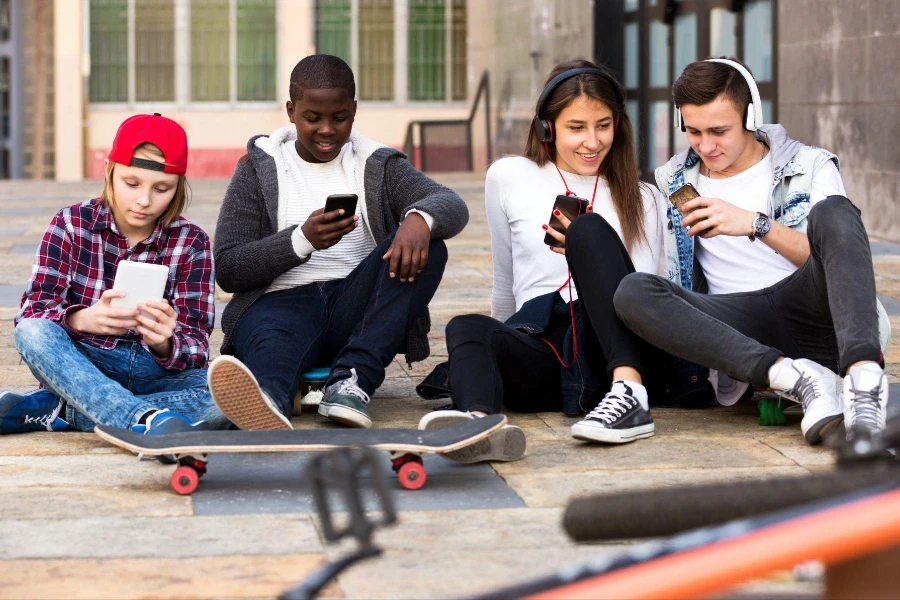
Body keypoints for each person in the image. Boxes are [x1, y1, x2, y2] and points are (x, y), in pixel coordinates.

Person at [418, 59, 706, 454]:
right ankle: (478, 426)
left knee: (587, 231)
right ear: (547, 128)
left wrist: (587, 255)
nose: (592, 141)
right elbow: (506, 280)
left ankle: (629, 396)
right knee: (466, 327)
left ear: (618, 126)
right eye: (577, 127)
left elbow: (639, 300)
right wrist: (498, 346)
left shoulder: (645, 198)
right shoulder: (510, 176)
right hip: (545, 352)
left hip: (607, 351)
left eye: (603, 125)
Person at [614, 57, 891, 447]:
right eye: (693, 131)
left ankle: (864, 383)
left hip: (814, 312)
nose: (706, 145)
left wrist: (756, 224)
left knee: (835, 212)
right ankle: (798, 379)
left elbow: (838, 260)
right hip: (740, 329)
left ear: (751, 116)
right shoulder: (672, 180)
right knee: (633, 291)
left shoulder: (809, 166)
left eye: (718, 131)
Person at [208, 54, 468, 430]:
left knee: (429, 244)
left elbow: (450, 203)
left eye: (340, 117)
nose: (327, 129)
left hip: (356, 308)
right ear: (291, 110)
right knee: (272, 360)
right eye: (312, 118)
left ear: (354, 111)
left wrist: (419, 218)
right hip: (279, 308)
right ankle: (266, 402)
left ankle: (353, 380)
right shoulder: (258, 167)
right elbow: (229, 269)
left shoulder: (375, 164)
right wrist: (301, 240)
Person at [1, 113, 226, 436]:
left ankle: (63, 408)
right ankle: (144, 419)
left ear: (178, 187)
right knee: (32, 332)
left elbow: (196, 348)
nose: (144, 200)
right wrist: (83, 320)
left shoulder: (192, 243)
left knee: (224, 399)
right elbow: (33, 312)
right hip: (83, 363)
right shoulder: (70, 224)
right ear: (109, 171)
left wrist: (164, 342)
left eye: (162, 188)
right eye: (131, 184)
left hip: (157, 373)